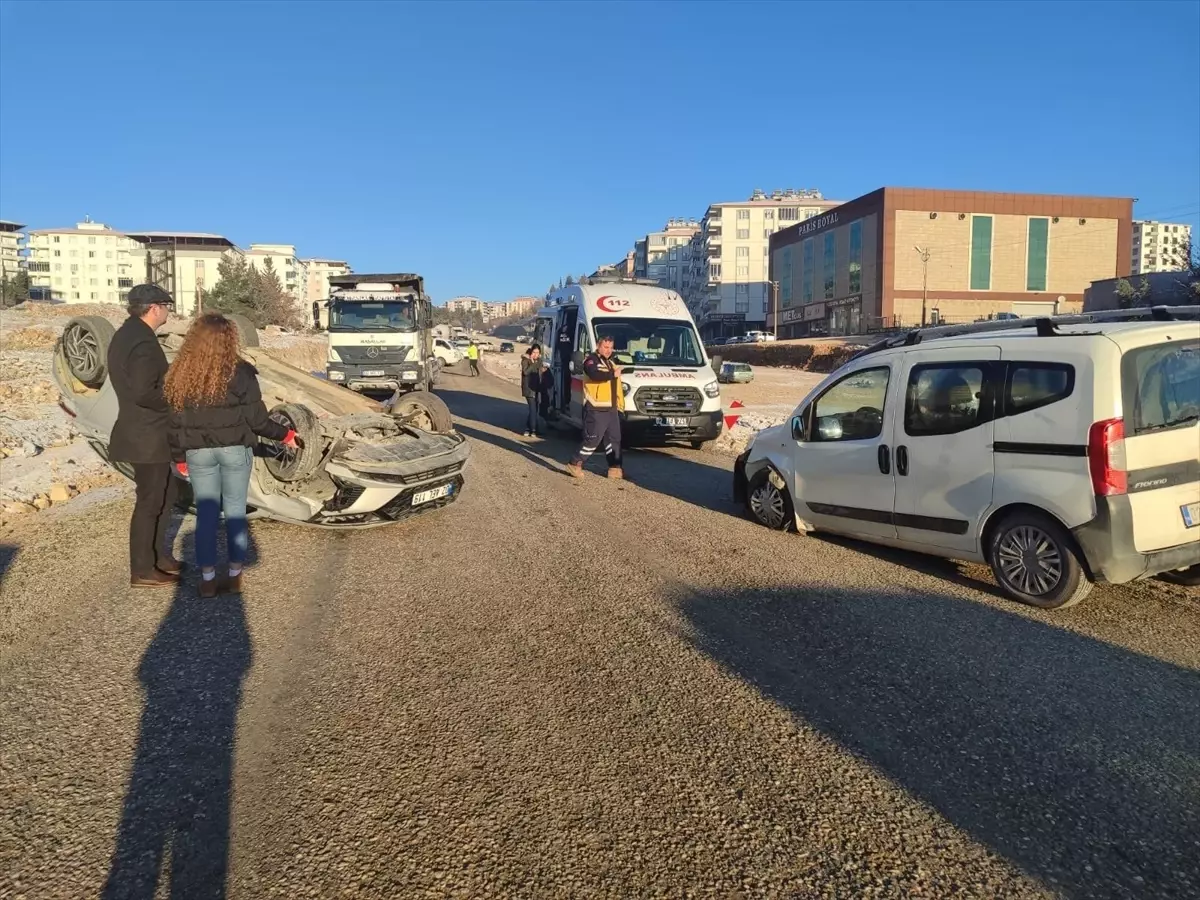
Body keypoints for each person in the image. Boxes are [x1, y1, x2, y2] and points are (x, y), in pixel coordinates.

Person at [164, 314, 300, 598]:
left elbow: (173, 423)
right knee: (236, 512)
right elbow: (258, 421)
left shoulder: (179, 372)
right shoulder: (241, 372)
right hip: (235, 451)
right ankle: (235, 576)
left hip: (198, 454)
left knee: (207, 515)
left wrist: (178, 458)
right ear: (230, 340)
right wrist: (286, 435)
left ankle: (208, 580)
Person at [107, 284, 181, 588]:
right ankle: (142, 569)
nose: (168, 311)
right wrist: (175, 396)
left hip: (147, 432)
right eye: (166, 306)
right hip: (147, 434)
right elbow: (143, 391)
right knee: (150, 501)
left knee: (168, 494)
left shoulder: (129, 334)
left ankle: (157, 557)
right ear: (154, 308)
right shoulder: (141, 342)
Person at [566, 334, 624, 480]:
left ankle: (615, 467)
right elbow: (594, 375)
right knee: (592, 439)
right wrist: (612, 374)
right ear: (598, 346)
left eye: (611, 347)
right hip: (596, 408)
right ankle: (575, 462)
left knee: (614, 439)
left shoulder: (610, 362)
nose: (608, 350)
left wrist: (620, 406)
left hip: (611, 408)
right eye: (605, 347)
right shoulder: (591, 360)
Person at [520, 345, 543, 437]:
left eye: (537, 353)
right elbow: (525, 372)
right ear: (530, 352)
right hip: (528, 388)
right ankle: (533, 430)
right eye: (534, 352)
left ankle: (527, 428)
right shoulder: (525, 360)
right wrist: (532, 363)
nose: (536, 354)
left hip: (536, 388)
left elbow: (539, 373)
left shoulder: (539, 361)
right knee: (533, 409)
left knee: (534, 409)